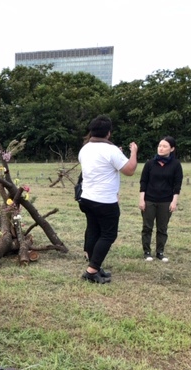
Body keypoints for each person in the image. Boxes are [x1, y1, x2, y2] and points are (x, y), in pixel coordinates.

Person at [78, 115, 138, 284]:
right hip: (105, 200)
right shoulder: (111, 150)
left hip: (87, 198)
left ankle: (94, 266)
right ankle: (91, 271)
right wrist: (133, 152)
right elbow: (130, 170)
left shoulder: (85, 149)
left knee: (93, 231)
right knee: (108, 235)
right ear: (108, 133)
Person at [139, 136, 183, 262]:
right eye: (159, 146)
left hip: (166, 201)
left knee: (162, 228)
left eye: (164, 146)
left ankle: (160, 252)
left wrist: (174, 202)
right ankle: (147, 251)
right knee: (147, 226)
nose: (161, 148)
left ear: (172, 149)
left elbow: (177, 185)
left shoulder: (176, 165)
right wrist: (142, 199)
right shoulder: (149, 164)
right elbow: (143, 182)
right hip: (149, 200)